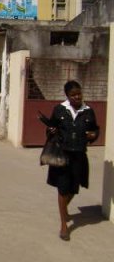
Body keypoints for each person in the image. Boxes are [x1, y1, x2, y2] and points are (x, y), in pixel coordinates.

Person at [46, 80, 99, 241]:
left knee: (74, 188)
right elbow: (50, 128)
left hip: (79, 155)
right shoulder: (59, 110)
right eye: (73, 95)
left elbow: (95, 129)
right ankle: (64, 224)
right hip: (63, 155)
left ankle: (64, 208)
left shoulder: (88, 111)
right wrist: (50, 130)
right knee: (63, 188)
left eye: (79, 94)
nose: (77, 97)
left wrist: (93, 135)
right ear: (67, 96)